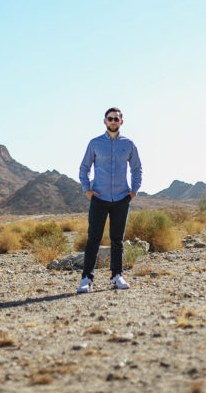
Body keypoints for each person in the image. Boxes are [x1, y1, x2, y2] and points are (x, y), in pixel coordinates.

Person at [77, 107, 142, 293]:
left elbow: (137, 168)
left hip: (121, 198)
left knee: (117, 240)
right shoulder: (95, 143)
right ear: (105, 121)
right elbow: (84, 168)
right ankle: (87, 279)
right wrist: (87, 190)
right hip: (99, 197)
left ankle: (117, 276)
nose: (113, 121)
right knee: (93, 239)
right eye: (110, 118)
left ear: (121, 122)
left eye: (116, 119)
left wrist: (134, 190)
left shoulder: (128, 144)